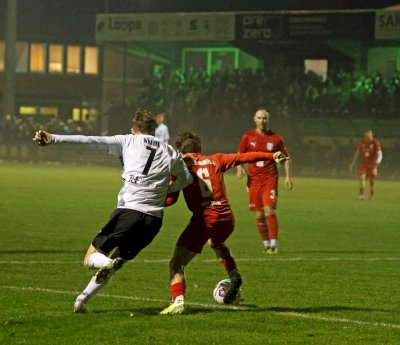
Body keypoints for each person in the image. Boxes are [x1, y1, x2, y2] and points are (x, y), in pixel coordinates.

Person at [32, 109, 193, 313]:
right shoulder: (168, 150)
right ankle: (82, 300)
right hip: (153, 220)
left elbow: (88, 140)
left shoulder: (127, 141)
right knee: (118, 260)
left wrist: (53, 138)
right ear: (154, 130)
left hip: (129, 212)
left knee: (91, 258)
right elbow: (186, 179)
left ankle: (107, 263)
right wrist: (166, 190)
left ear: (134, 128)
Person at [160, 131, 289, 315]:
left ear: (179, 151)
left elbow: (171, 200)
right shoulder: (216, 159)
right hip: (227, 217)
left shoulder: (182, 166)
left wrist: (158, 198)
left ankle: (178, 301)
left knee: (176, 263)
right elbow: (243, 157)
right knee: (216, 242)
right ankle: (233, 273)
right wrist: (271, 155)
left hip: (204, 220)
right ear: (200, 149)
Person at [236, 108, 292, 255]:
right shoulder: (247, 137)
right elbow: (239, 155)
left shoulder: (276, 138)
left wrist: (287, 176)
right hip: (253, 180)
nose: (262, 121)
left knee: (269, 210)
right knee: (259, 215)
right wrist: (239, 169)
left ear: (269, 120)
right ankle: (266, 244)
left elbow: (286, 157)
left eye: (265, 118)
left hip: (270, 178)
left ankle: (274, 244)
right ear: (254, 119)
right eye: (259, 118)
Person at [349, 129, 382, 199]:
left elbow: (380, 154)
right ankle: (361, 195)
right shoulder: (362, 143)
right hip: (364, 164)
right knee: (362, 178)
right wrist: (352, 163)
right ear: (365, 134)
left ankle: (372, 193)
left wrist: (377, 163)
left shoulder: (375, 142)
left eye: (370, 133)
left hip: (372, 165)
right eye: (368, 133)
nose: (369, 135)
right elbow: (357, 153)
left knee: (372, 181)